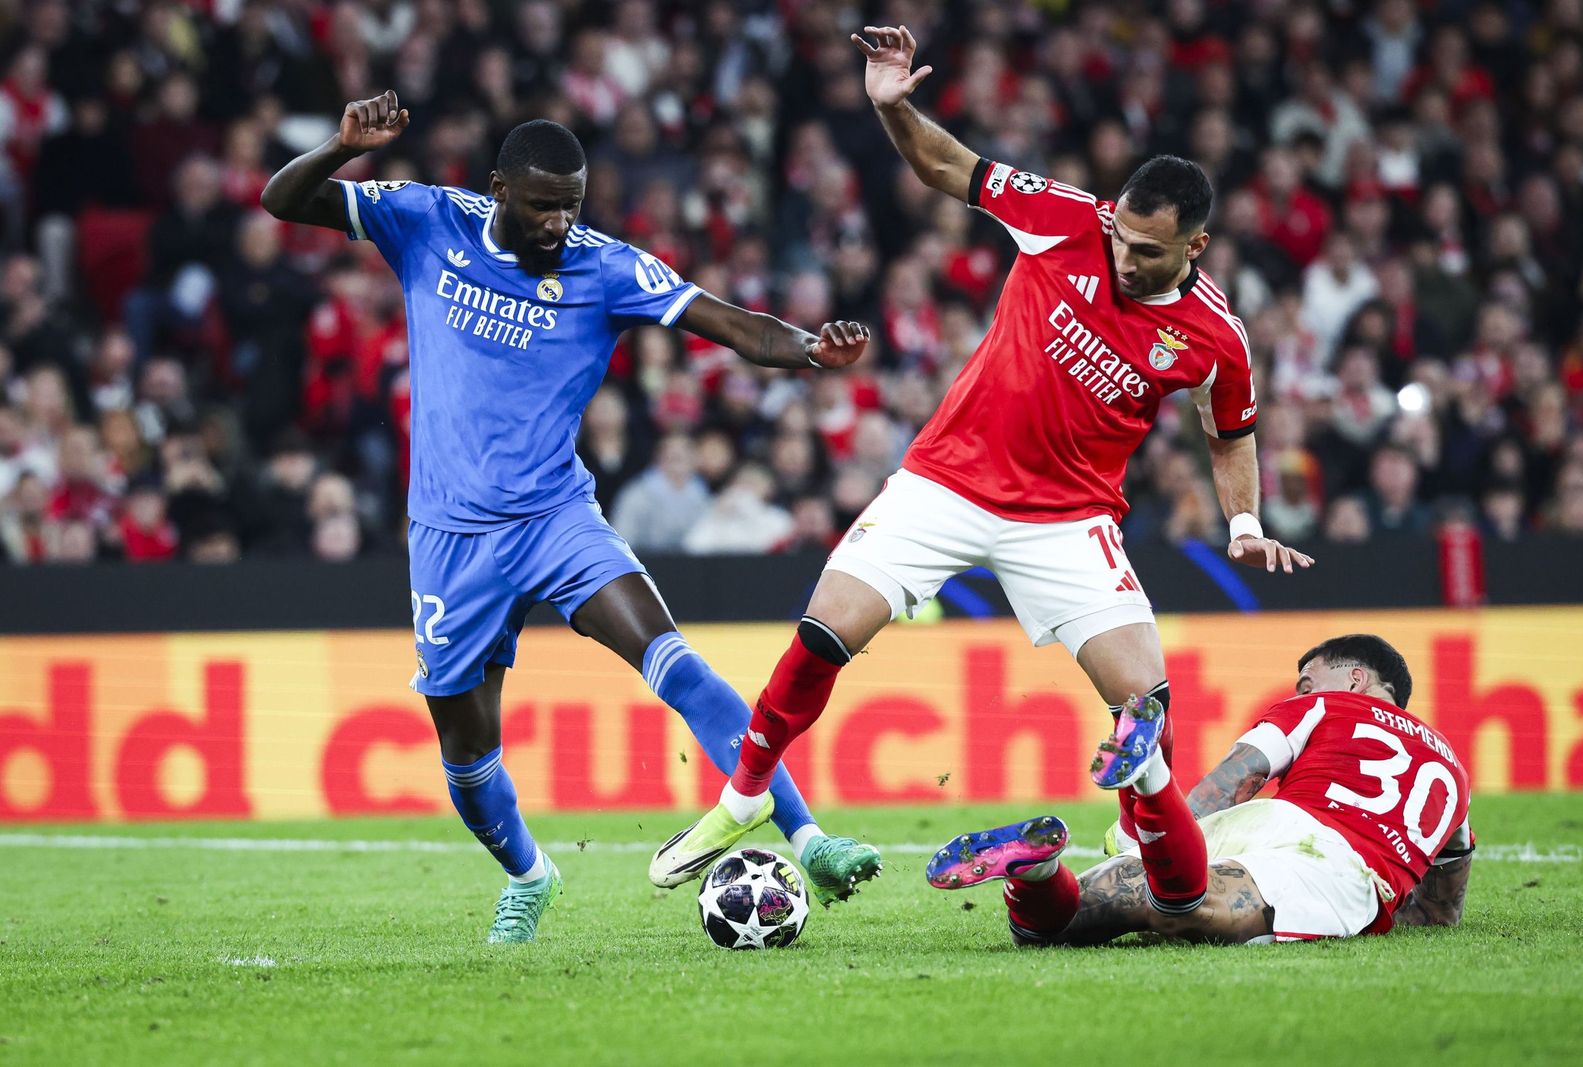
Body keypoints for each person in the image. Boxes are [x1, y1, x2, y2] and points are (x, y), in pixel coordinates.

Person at [651, 25, 1315, 888]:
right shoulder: (1065, 219)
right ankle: (744, 795)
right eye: (1119, 234)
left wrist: (1245, 521)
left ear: (1195, 247)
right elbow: (945, 165)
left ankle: (1139, 853)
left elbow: (1230, 434)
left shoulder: (1216, 336)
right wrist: (895, 106)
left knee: (1144, 710)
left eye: (1146, 252)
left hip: (1069, 520)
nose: (1121, 255)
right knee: (821, 632)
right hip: (946, 481)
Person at [261, 90, 881, 944]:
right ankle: (529, 872)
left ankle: (808, 837)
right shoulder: (429, 222)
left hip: (556, 518)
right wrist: (338, 146)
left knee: (674, 660)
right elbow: (281, 200)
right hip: (449, 540)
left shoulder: (605, 267)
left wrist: (810, 348)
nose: (559, 221)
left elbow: (729, 323)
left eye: (572, 204)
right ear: (500, 190)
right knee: (466, 753)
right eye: (543, 203)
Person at [927, 634, 1473, 946]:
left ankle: (1040, 873)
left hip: (1270, 825)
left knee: (1057, 927)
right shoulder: (1455, 774)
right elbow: (1439, 911)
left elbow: (1238, 777)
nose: (1300, 688)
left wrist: (1157, 838)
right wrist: (1375, 907)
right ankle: (1150, 781)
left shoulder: (1320, 708)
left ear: (1356, 678)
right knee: (1187, 908)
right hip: (1331, 863)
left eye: (1308, 679)